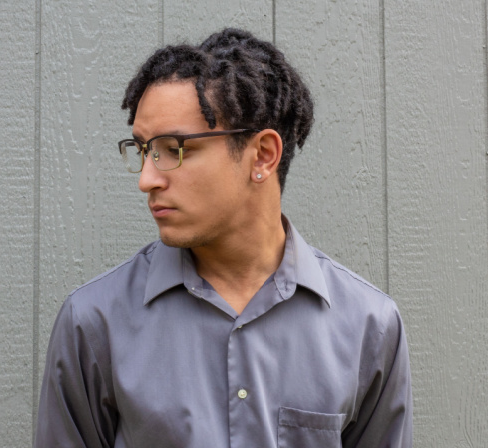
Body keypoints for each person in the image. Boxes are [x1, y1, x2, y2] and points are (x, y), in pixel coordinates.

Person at [35, 28, 412, 448]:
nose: (146, 179)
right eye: (143, 149)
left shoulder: (368, 326)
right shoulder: (94, 322)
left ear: (262, 156)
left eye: (174, 148)